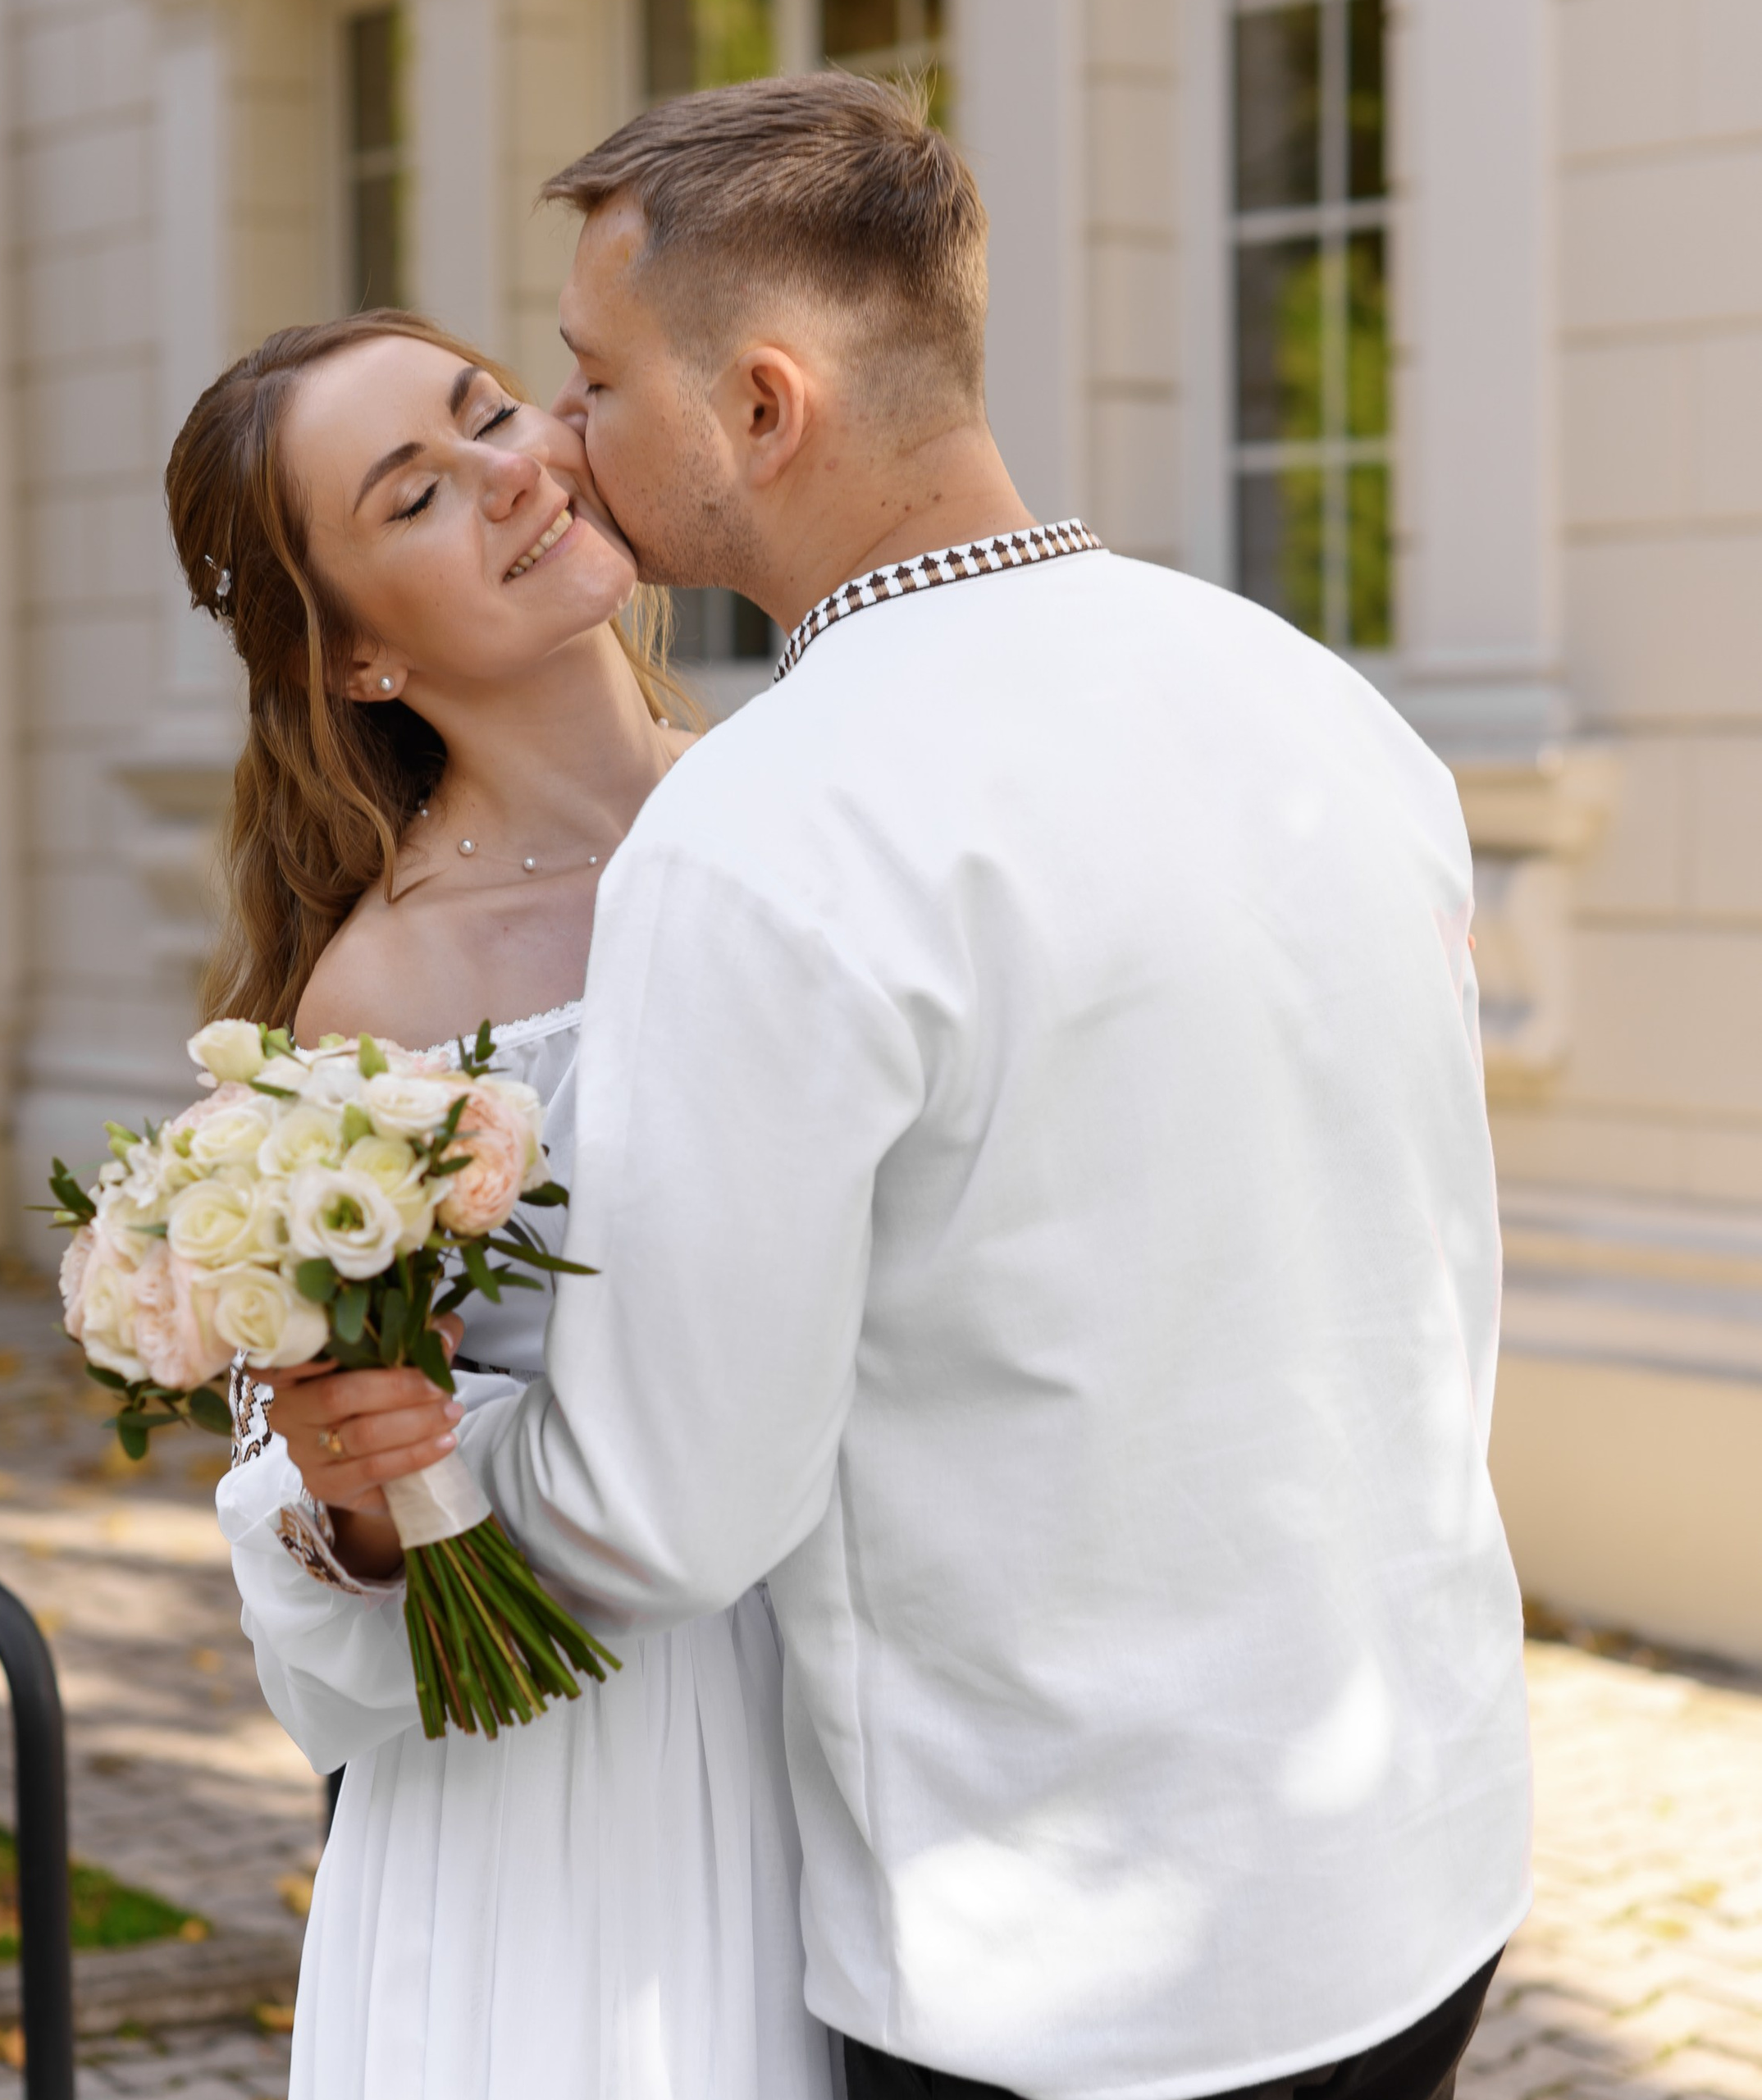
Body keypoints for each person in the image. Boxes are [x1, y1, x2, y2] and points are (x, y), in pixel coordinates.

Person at [309, 72, 1535, 2100]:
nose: (562, 439)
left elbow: (657, 1518)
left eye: (593, 380)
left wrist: (384, 1497)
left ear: (760, 407)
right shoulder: (1309, 693)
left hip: (1070, 1960)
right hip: (1417, 1866)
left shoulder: (769, 826)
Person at [166, 311, 838, 2100]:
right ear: (357, 655)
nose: (512, 472)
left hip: (864, 1703)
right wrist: (363, 1483)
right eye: (416, 494)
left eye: (490, 413)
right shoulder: (382, 1002)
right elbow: (323, 1490)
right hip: (580, 1783)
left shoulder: (809, 803)